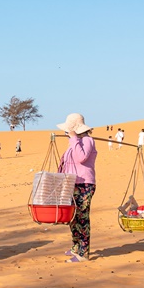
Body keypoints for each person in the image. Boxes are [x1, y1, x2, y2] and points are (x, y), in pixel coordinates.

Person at [58, 113, 97, 263]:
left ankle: (83, 252)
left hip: (84, 184)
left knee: (82, 218)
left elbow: (82, 158)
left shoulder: (88, 140)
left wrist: (74, 138)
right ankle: (76, 246)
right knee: (73, 218)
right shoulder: (74, 142)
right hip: (72, 183)